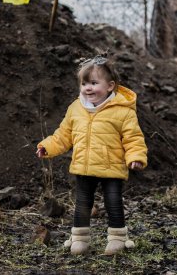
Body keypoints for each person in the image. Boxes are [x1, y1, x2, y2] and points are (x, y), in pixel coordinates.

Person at [36, 55, 148, 255]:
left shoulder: (123, 111)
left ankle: (117, 238)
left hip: (112, 166)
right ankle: (79, 239)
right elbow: (63, 136)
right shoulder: (76, 109)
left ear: (110, 86)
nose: (88, 88)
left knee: (113, 202)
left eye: (94, 83)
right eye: (84, 83)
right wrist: (47, 147)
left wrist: (136, 157)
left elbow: (133, 138)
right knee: (82, 203)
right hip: (84, 166)